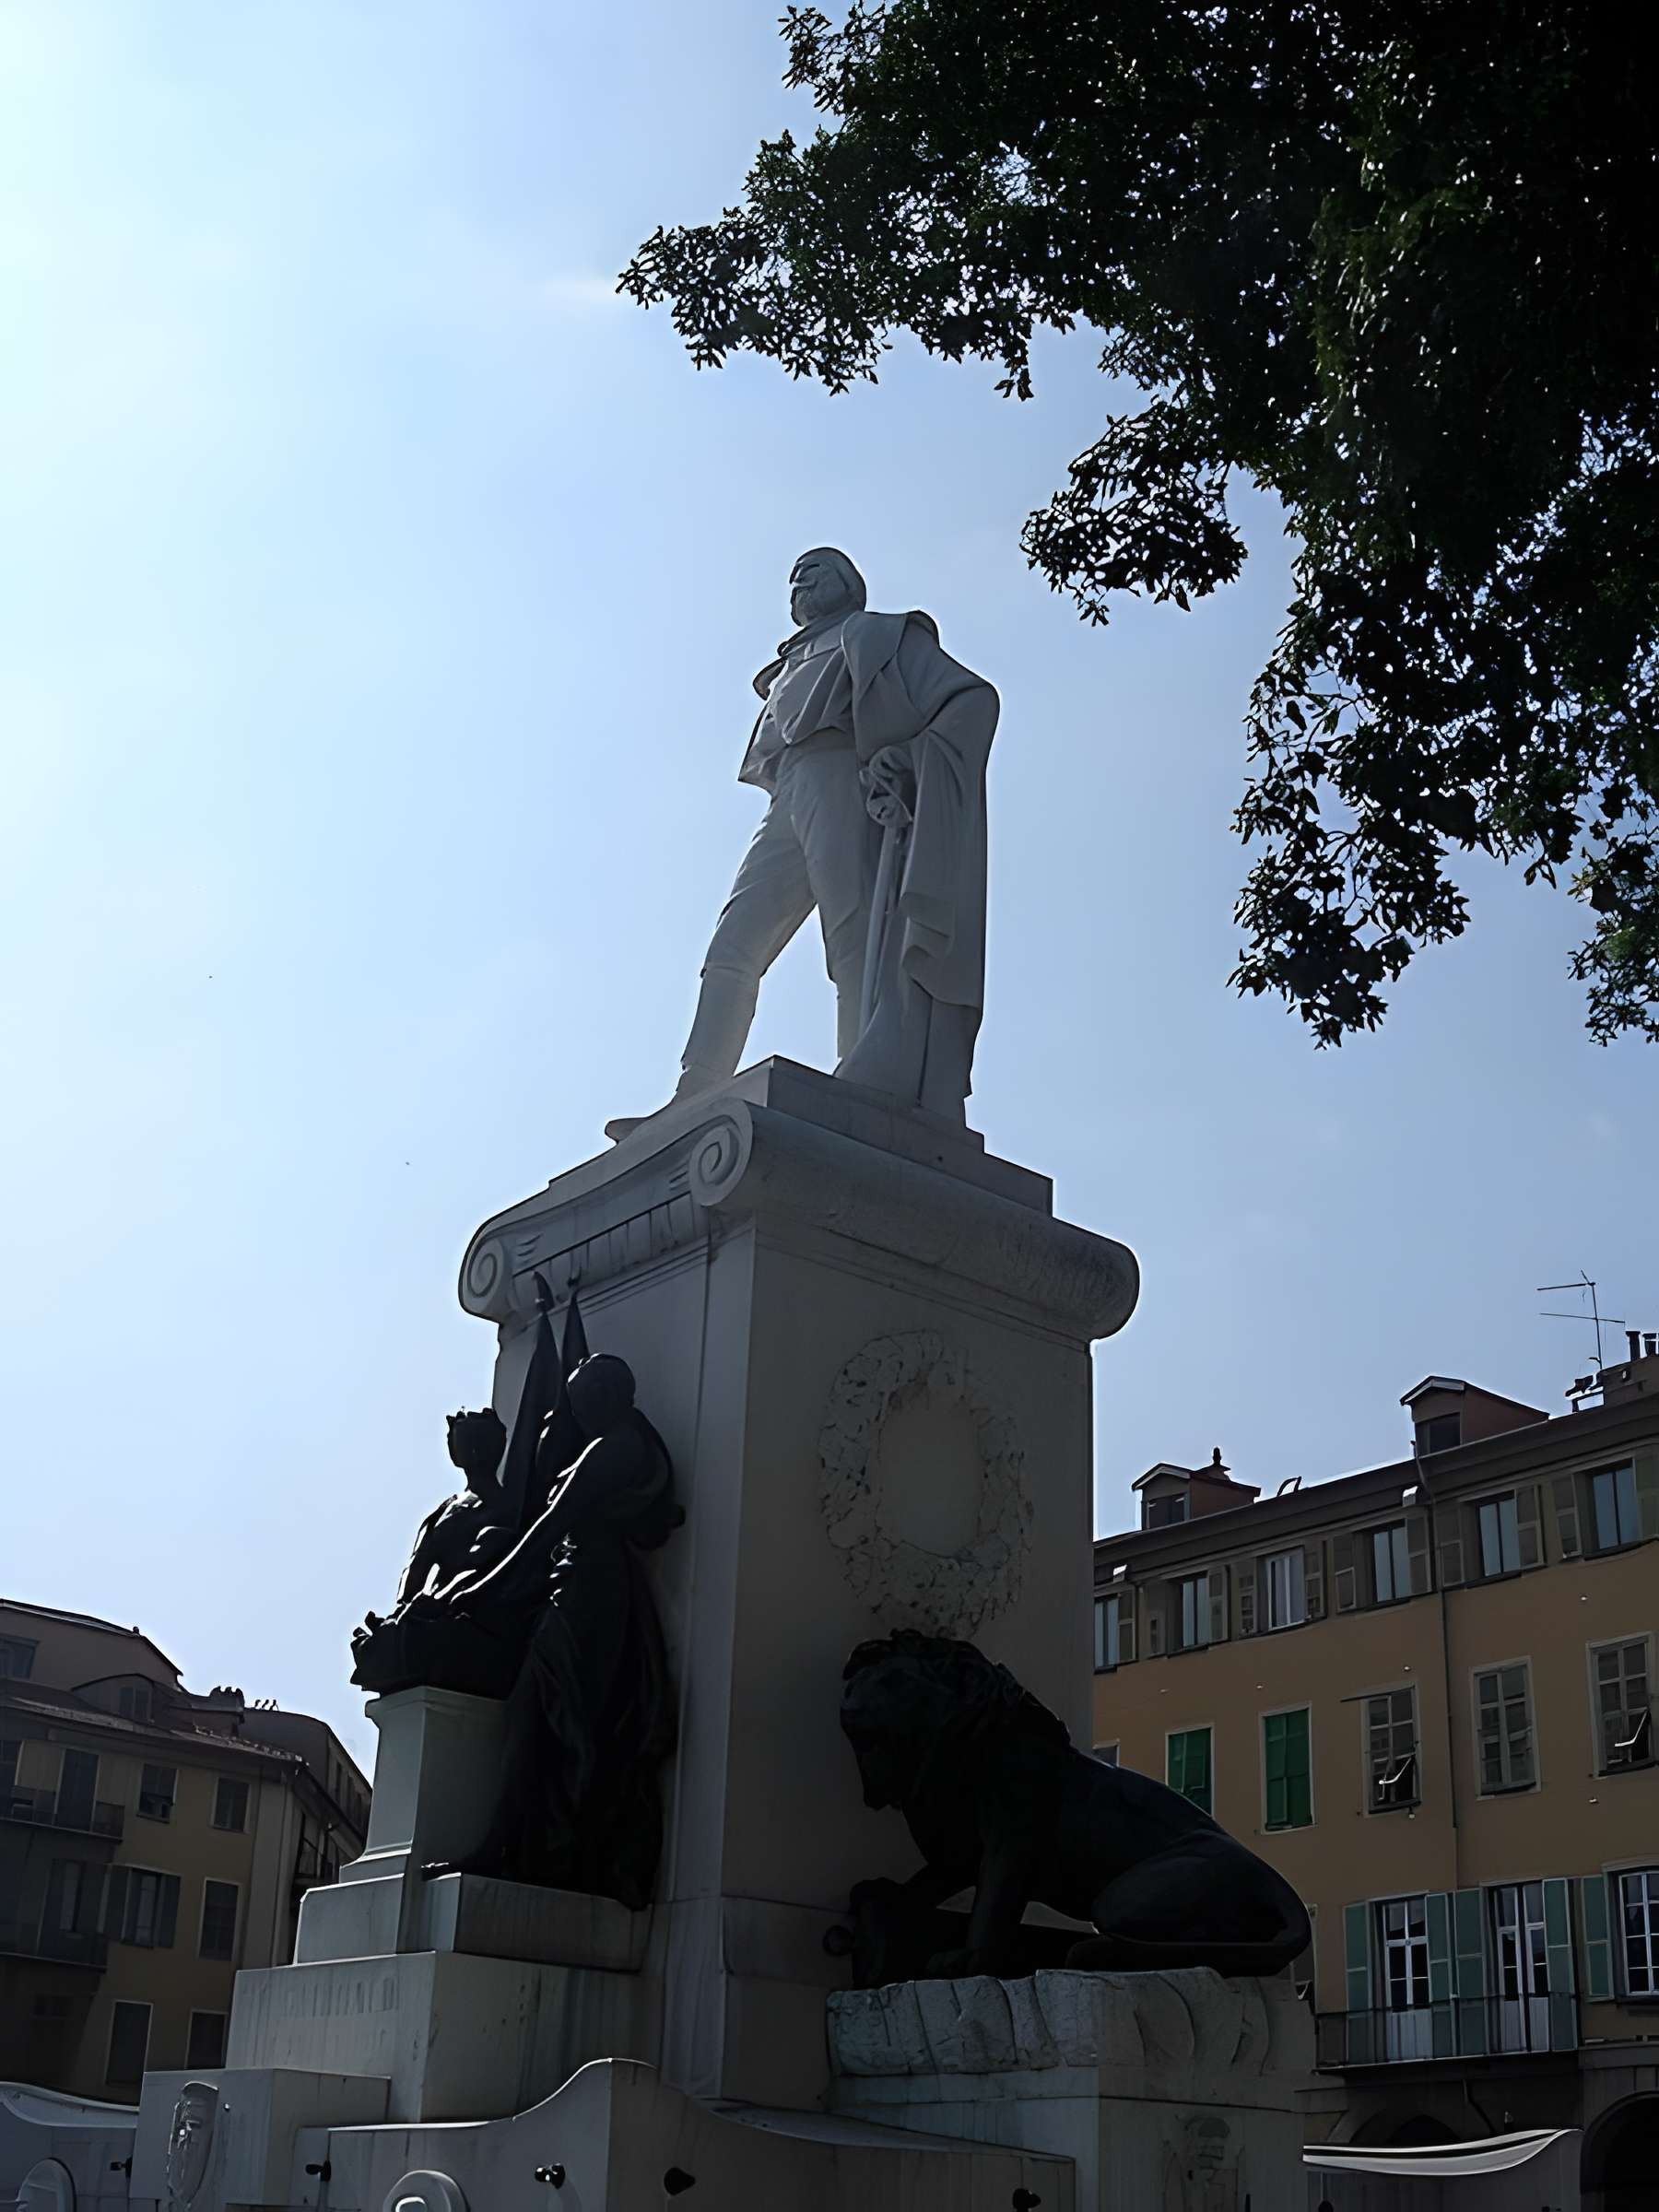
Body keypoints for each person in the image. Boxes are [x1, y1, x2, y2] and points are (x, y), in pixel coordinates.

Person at [607, 547, 998, 1133]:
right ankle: (693, 1094)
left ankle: (865, 1077)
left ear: (850, 583)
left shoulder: (877, 635)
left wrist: (910, 756)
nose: (800, 580)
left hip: (842, 773)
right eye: (794, 576)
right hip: (788, 791)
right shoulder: (787, 665)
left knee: (852, 937)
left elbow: (973, 698)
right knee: (734, 943)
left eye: (817, 569)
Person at [421, 1354, 682, 1907]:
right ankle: (523, 1845)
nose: (575, 1413)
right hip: (581, 1588)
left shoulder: (614, 1449)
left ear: (607, 1397)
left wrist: (480, 1588)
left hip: (587, 1594)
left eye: (581, 1400)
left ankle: (533, 1848)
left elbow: (548, 1529)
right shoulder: (621, 1442)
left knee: (550, 1717)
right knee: (546, 1717)